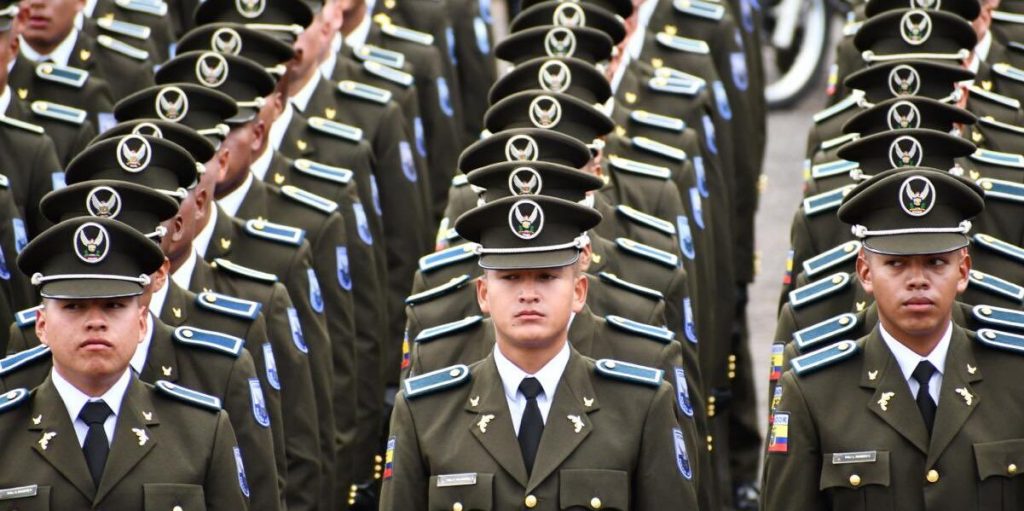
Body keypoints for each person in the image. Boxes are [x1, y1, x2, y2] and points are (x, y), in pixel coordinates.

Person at [381, 192, 699, 509]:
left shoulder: (638, 407)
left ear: (579, 292)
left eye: (547, 277)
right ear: (483, 294)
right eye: (510, 277)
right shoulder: (426, 413)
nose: (529, 294)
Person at [762, 167, 1024, 510]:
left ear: (963, 271)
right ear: (865, 273)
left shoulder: (1015, 377)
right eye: (896, 264)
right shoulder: (814, 393)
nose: (918, 280)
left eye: (936, 262)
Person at [0, 216, 248, 508]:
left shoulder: (201, 432)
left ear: (142, 322)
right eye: (73, 306)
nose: (95, 322)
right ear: (41, 325)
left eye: (114, 305)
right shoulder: (5, 432)